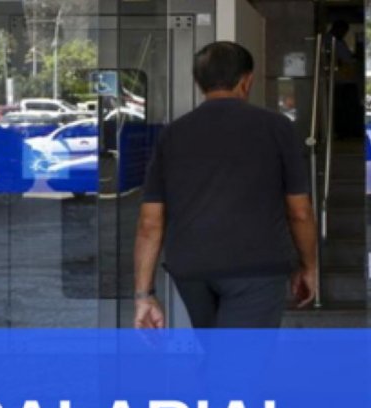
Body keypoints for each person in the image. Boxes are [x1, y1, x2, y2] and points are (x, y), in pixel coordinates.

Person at [133, 41, 318, 329]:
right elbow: (300, 212)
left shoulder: (173, 134)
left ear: (199, 82)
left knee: (218, 350)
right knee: (240, 356)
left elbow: (150, 222)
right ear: (247, 81)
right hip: (256, 268)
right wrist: (309, 266)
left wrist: (144, 295)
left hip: (191, 268)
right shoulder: (276, 127)